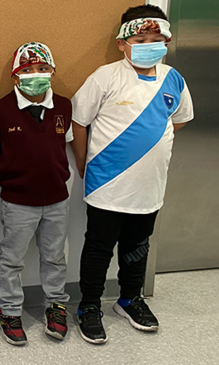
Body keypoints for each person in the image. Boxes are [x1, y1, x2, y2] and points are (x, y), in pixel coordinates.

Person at [71, 4, 194, 344]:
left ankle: (129, 299)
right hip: (107, 184)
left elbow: (179, 119)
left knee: (138, 245)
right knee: (99, 247)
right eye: (140, 39)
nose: (148, 45)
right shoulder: (105, 76)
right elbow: (79, 121)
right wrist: (82, 162)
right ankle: (89, 305)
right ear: (122, 43)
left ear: (167, 41)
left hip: (150, 186)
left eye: (155, 39)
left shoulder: (173, 78)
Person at [0, 42, 79, 345]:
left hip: (57, 199)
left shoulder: (64, 106)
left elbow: (65, 143)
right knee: (12, 259)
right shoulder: (1, 111)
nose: (36, 74)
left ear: (52, 72)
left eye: (42, 68)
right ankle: (9, 310)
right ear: (15, 77)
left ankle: (56, 305)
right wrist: (12, 167)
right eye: (27, 70)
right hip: (18, 202)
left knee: (55, 257)